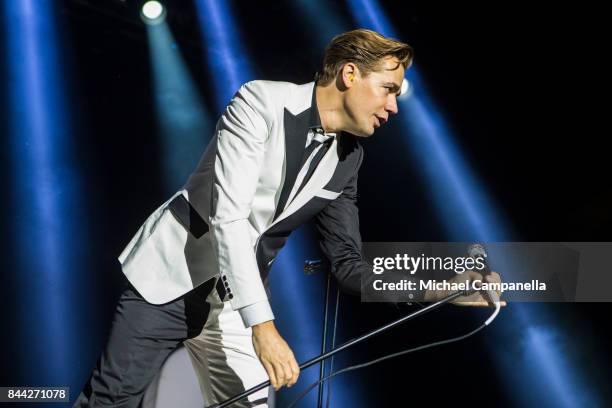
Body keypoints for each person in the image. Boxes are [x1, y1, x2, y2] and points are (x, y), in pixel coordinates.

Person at [75, 28, 499, 407]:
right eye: (388, 88)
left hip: (236, 299)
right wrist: (264, 326)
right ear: (350, 74)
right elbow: (229, 218)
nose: (394, 106)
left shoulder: (348, 160)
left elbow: (348, 265)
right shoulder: (260, 100)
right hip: (172, 274)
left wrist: (440, 290)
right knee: (111, 400)